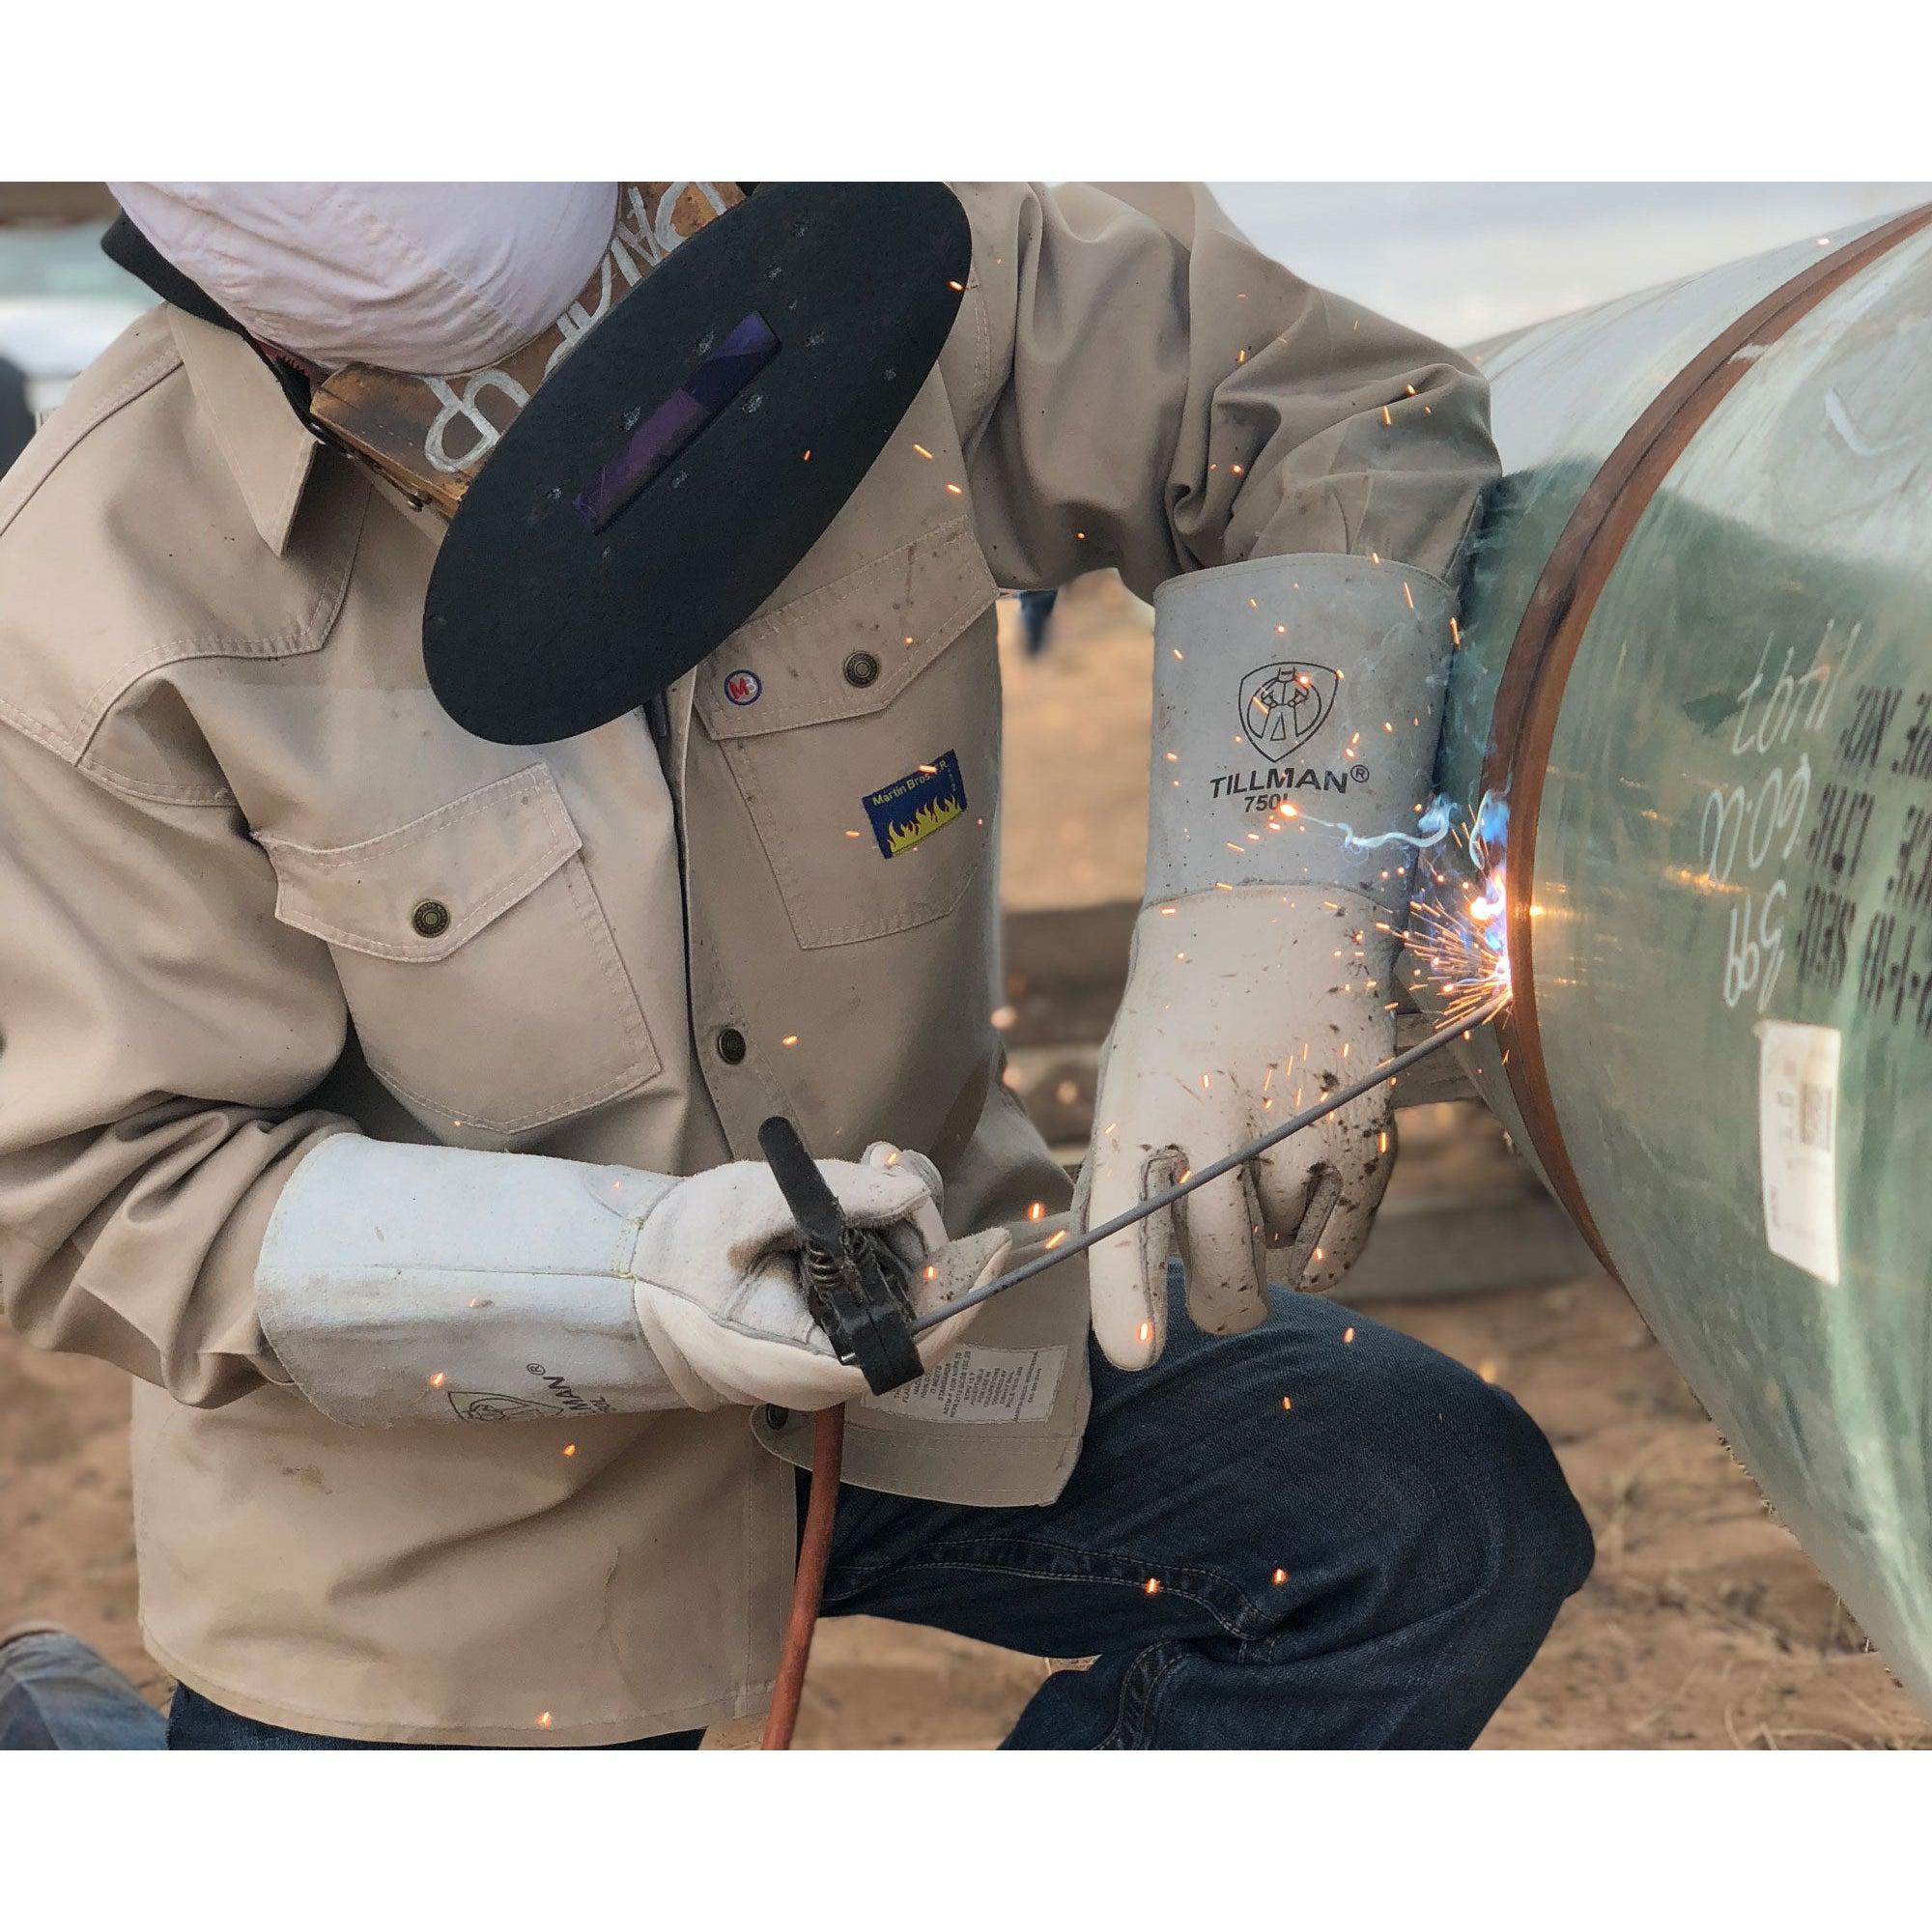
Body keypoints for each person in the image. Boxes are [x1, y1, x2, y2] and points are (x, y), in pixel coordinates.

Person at [0, 183, 1590, 1749]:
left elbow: (1323, 413)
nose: (592, 405)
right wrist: (619, 1279)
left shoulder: (868, 241)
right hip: (458, 1517)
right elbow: (99, 1188)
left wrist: (1272, 889)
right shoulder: (88, 604)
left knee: (1429, 1523)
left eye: (609, 308)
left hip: (943, 1316)